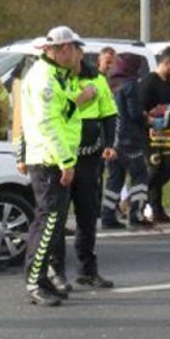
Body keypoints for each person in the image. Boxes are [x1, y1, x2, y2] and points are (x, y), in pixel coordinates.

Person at [19, 25, 82, 307]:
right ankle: (34, 281)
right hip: (48, 160)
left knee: (53, 223)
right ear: (64, 49)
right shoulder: (45, 78)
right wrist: (66, 161)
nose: (79, 55)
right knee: (47, 223)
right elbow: (47, 123)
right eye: (76, 49)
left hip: (54, 157)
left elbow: (63, 114)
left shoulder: (57, 75)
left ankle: (42, 278)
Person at [47, 44, 118, 292]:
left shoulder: (97, 79)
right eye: (65, 51)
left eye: (74, 51)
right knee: (57, 217)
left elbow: (110, 113)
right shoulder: (55, 80)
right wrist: (80, 100)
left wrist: (110, 144)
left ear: (80, 54)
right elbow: (53, 114)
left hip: (89, 159)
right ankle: (56, 271)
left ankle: (88, 270)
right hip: (61, 158)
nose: (69, 56)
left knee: (88, 216)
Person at [101, 53, 154, 230]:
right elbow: (135, 113)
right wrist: (147, 118)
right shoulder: (131, 86)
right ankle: (136, 214)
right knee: (140, 176)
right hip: (130, 139)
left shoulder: (111, 86)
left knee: (114, 179)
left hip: (113, 140)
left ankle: (108, 215)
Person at [139, 46, 170, 223]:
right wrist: (150, 121)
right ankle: (142, 202)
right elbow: (139, 109)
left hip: (167, 135)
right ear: (166, 62)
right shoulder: (149, 82)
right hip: (149, 134)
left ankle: (155, 208)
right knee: (155, 169)